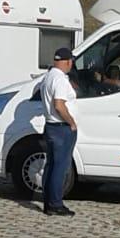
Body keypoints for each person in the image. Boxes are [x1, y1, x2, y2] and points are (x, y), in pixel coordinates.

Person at [39, 45, 79, 216]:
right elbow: (59, 105)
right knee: (60, 167)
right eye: (71, 61)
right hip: (61, 127)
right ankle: (56, 204)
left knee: (50, 165)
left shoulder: (48, 77)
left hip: (50, 126)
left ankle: (48, 202)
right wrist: (71, 122)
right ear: (68, 62)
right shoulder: (60, 79)